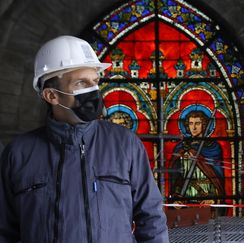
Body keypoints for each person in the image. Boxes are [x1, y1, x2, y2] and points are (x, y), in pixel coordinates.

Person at [0, 36, 168, 243]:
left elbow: (152, 220)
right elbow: (4, 231)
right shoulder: (18, 154)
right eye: (81, 83)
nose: (93, 90)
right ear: (51, 95)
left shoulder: (125, 144)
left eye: (95, 81)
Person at [168, 110, 224, 202]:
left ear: (204, 125)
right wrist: (176, 197)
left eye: (197, 123)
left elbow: (218, 178)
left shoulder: (213, 147)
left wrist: (213, 198)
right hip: (185, 198)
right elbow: (177, 177)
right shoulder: (181, 147)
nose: (193, 127)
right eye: (190, 123)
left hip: (207, 197)